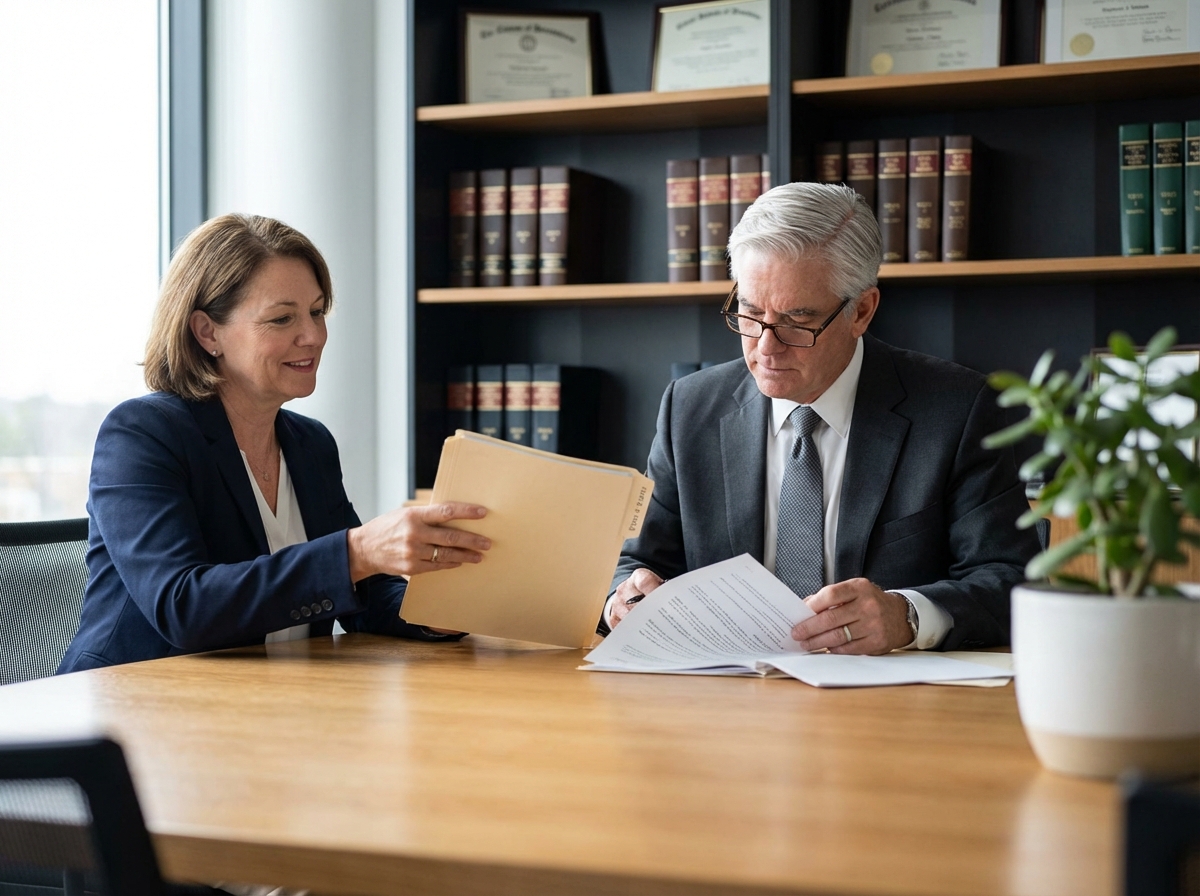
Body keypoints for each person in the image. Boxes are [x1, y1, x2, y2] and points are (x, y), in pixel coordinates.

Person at [605, 182, 1038, 653]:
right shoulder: (689, 408)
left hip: (888, 706)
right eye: (749, 314)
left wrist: (908, 616)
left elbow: (1010, 581)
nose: (765, 347)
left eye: (795, 321)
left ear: (862, 311)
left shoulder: (956, 409)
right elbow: (637, 561)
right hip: (725, 699)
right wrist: (624, 597)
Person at [58, 214, 490, 673]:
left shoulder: (310, 443)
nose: (315, 336)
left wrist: (443, 610)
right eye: (283, 318)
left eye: (317, 312)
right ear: (208, 333)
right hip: (135, 710)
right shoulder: (143, 434)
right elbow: (183, 606)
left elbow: (366, 596)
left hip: (272, 704)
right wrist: (357, 551)